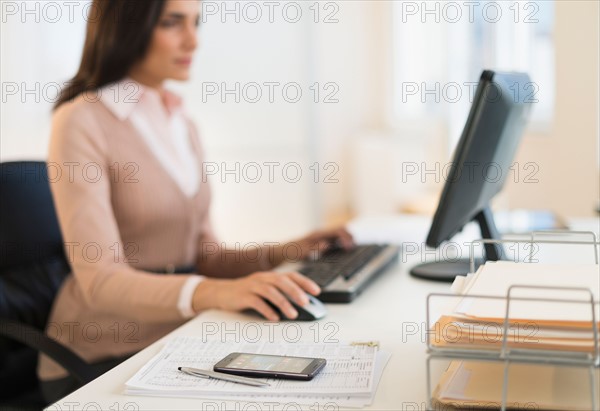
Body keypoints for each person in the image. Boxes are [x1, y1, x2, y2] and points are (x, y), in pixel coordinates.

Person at [40, 0, 354, 402]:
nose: (193, 40)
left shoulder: (181, 123)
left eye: (196, 23)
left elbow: (205, 255)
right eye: (172, 23)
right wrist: (216, 292)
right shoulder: (80, 120)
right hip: (100, 355)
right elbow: (100, 280)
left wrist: (287, 251)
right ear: (126, 26)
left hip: (179, 336)